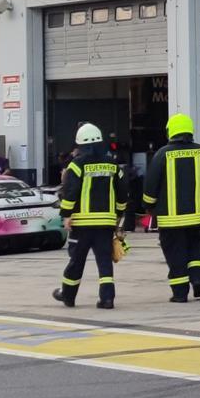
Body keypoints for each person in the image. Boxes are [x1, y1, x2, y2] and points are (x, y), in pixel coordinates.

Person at [143, 113, 200, 303]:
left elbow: (151, 185)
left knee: (175, 253)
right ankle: (198, 280)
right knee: (195, 249)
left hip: (170, 219)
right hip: (198, 217)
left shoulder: (162, 154)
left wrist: (149, 206)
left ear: (171, 131)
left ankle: (180, 293)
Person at [53, 123, 128, 310]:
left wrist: (66, 215)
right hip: (105, 223)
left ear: (80, 144)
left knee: (76, 261)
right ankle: (107, 299)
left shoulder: (76, 165)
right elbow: (122, 194)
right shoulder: (113, 165)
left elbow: (70, 193)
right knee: (104, 261)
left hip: (82, 224)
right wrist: (118, 216)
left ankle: (68, 296)